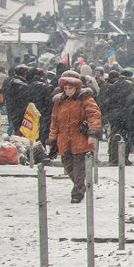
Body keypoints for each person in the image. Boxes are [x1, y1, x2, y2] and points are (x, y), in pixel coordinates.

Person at [48, 70, 102, 204]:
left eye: (70, 88)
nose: (68, 90)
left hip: (79, 138)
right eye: (65, 88)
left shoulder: (85, 99)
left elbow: (94, 115)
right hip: (64, 140)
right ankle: (79, 185)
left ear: (76, 87)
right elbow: (54, 122)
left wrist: (92, 132)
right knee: (68, 166)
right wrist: (52, 139)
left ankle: (77, 192)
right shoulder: (59, 102)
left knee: (79, 167)